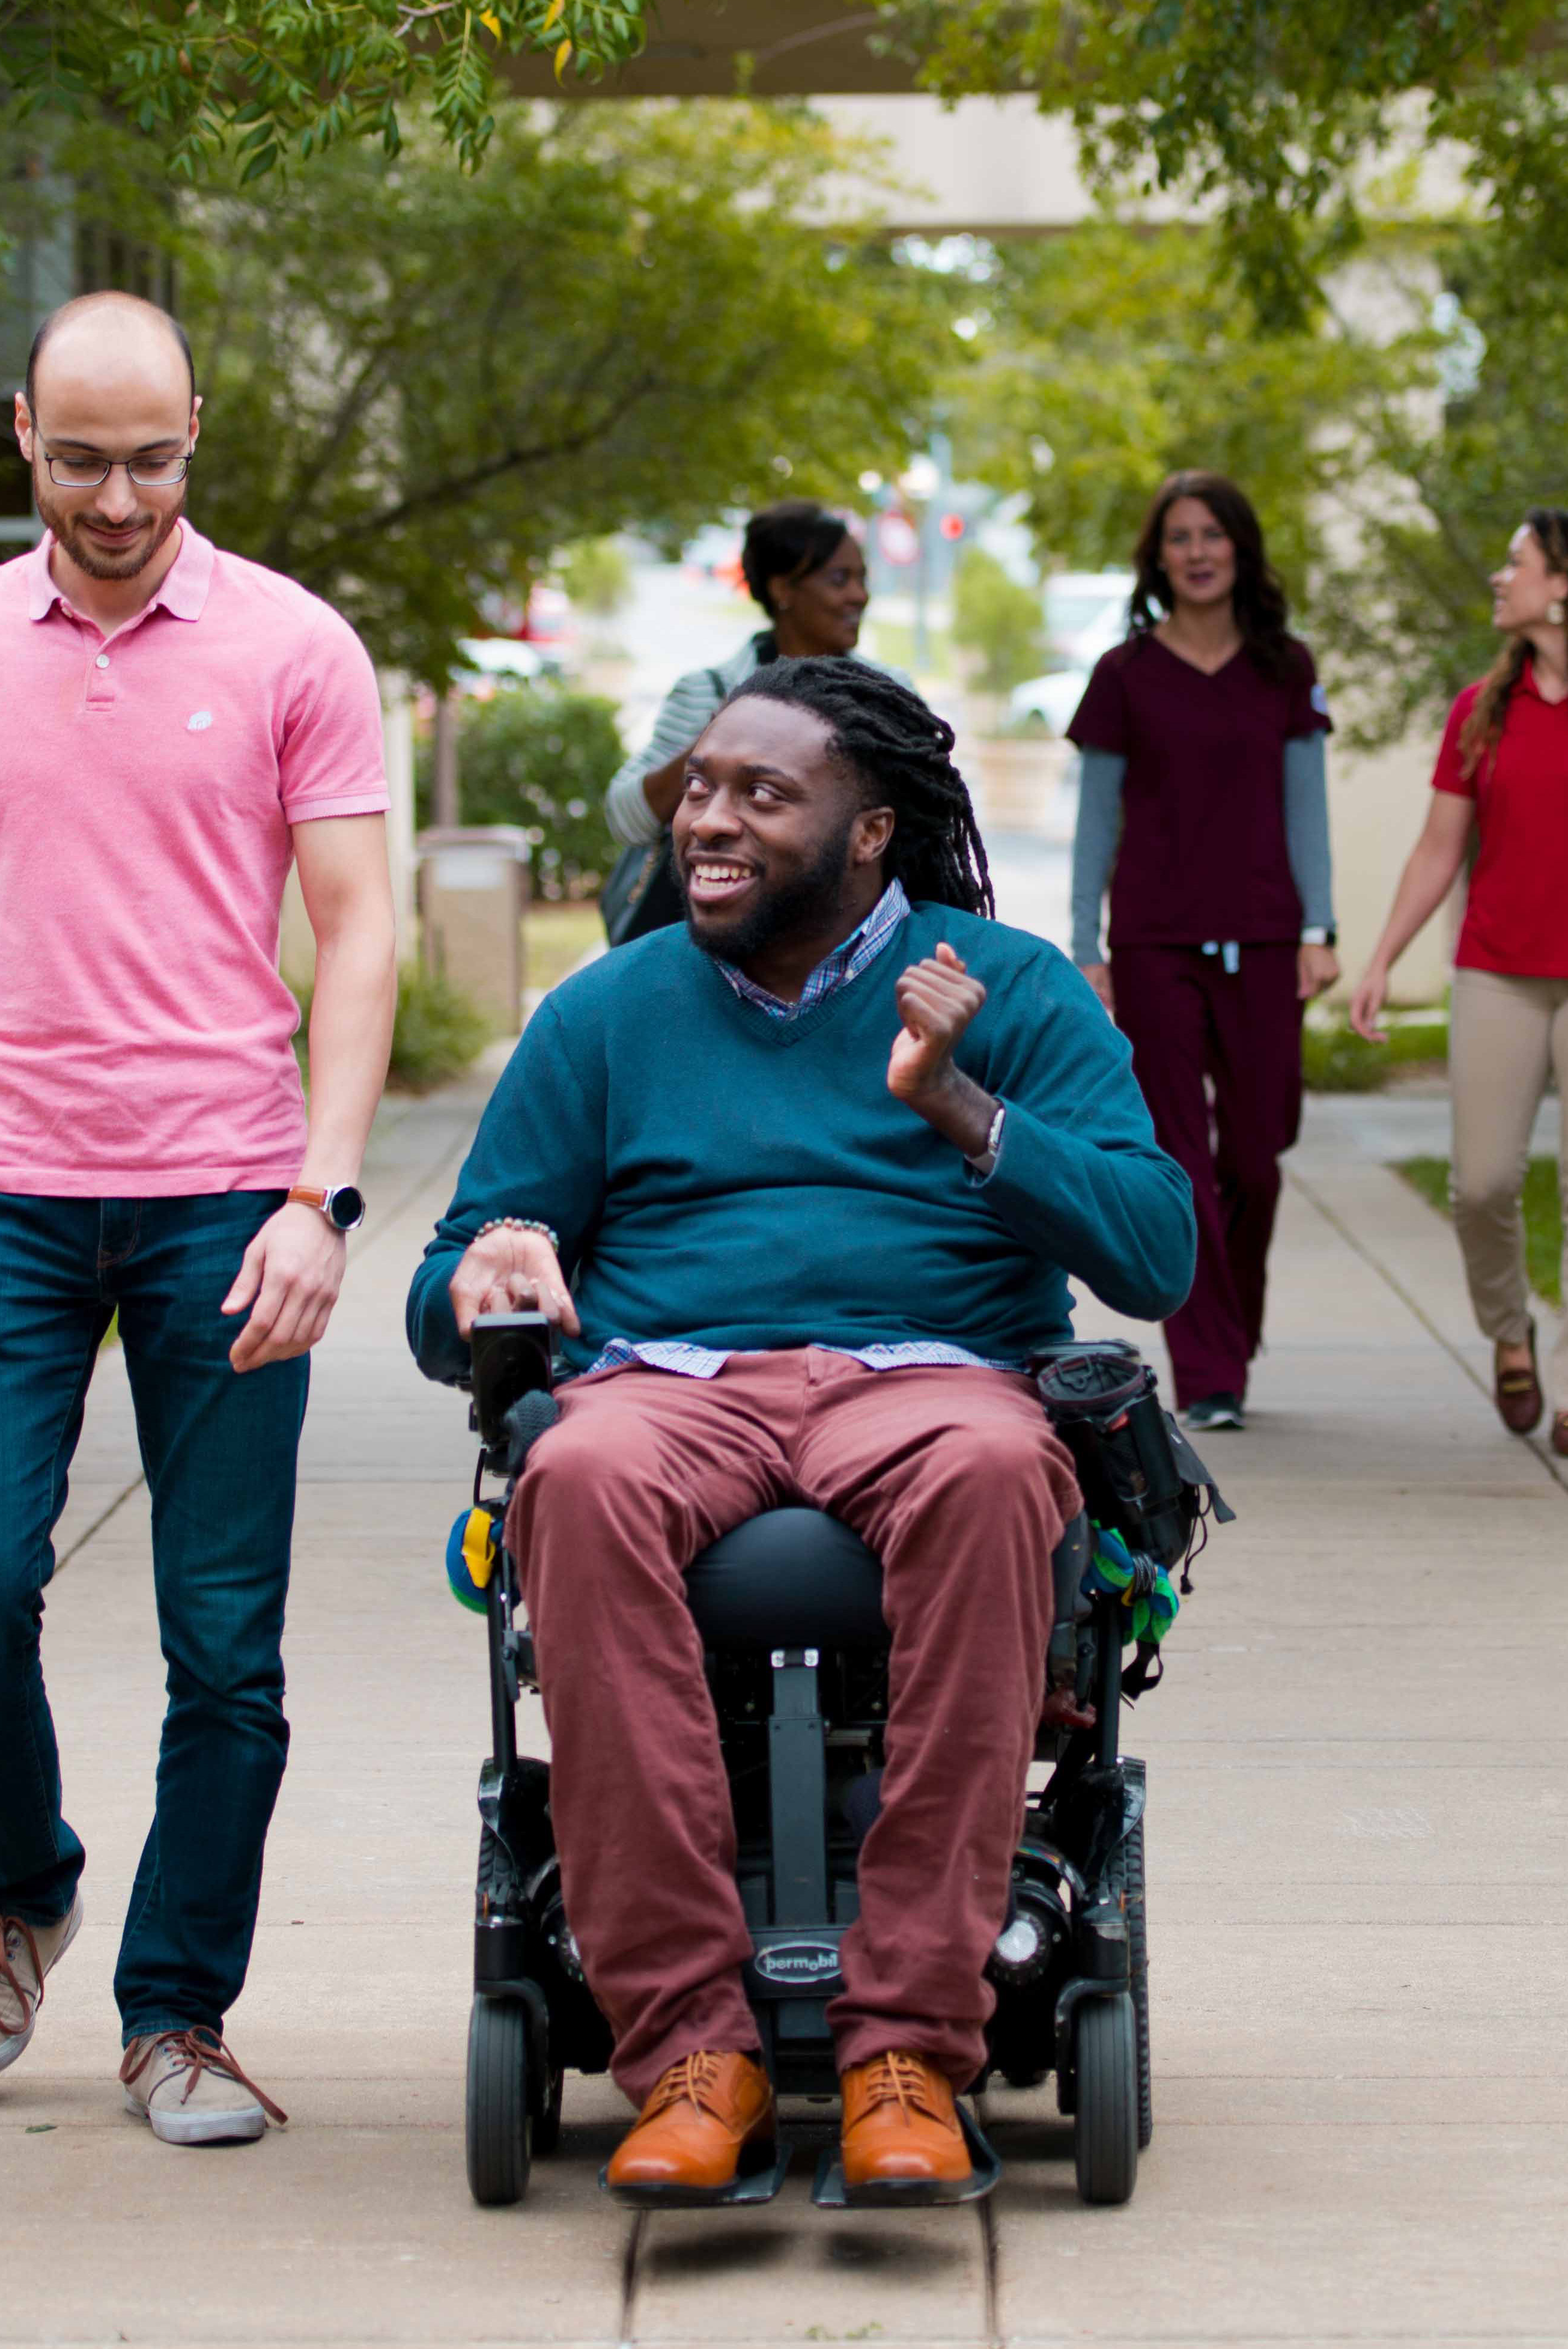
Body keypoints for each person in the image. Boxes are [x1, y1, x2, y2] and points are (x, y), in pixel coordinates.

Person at [406, 656, 1198, 2208]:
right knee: (570, 1467)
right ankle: (697, 2048)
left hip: (934, 1380)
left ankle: (908, 2045)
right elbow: (450, 1288)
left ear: (869, 832)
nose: (708, 820)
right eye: (697, 789)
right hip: (666, 1383)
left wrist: (962, 1110)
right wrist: (485, 1284)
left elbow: (1156, 1252)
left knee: (990, 1470)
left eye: (761, 795)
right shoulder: (609, 1012)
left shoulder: (1008, 989)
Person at [0, 290, 400, 2147]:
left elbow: (359, 926)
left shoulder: (296, 645)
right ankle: (27, 1879)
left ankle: (177, 2014)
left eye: (149, 457)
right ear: (21, 440)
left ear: (196, 436)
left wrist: (323, 1192)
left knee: (222, 1644)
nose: (115, 495)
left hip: (225, 1194)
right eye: (79, 459)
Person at [1344, 510, 1568, 1461]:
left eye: (1518, 563)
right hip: (1499, 972)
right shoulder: (1482, 711)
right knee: (1482, 1185)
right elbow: (1438, 848)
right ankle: (1512, 1333)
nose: (1501, 578)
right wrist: (1384, 956)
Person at [1065, 471, 1336, 1433]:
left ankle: (1232, 1319)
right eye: (1179, 536)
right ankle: (1211, 1368)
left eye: (1213, 533)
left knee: (1257, 1156)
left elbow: (1308, 805)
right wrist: (1083, 943)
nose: (1197, 550)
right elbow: (1096, 819)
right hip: (1154, 942)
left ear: (1241, 549)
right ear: (1158, 558)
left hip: (1266, 934)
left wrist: (1321, 927)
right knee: (1180, 1153)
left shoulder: (1285, 667)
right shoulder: (1123, 675)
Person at [596, 502, 896, 944]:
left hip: (855, 942)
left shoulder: (890, 694)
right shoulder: (710, 691)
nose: (859, 595)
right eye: (839, 579)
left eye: (862, 578)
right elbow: (626, 817)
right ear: (782, 590)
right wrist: (720, 736)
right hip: (723, 946)